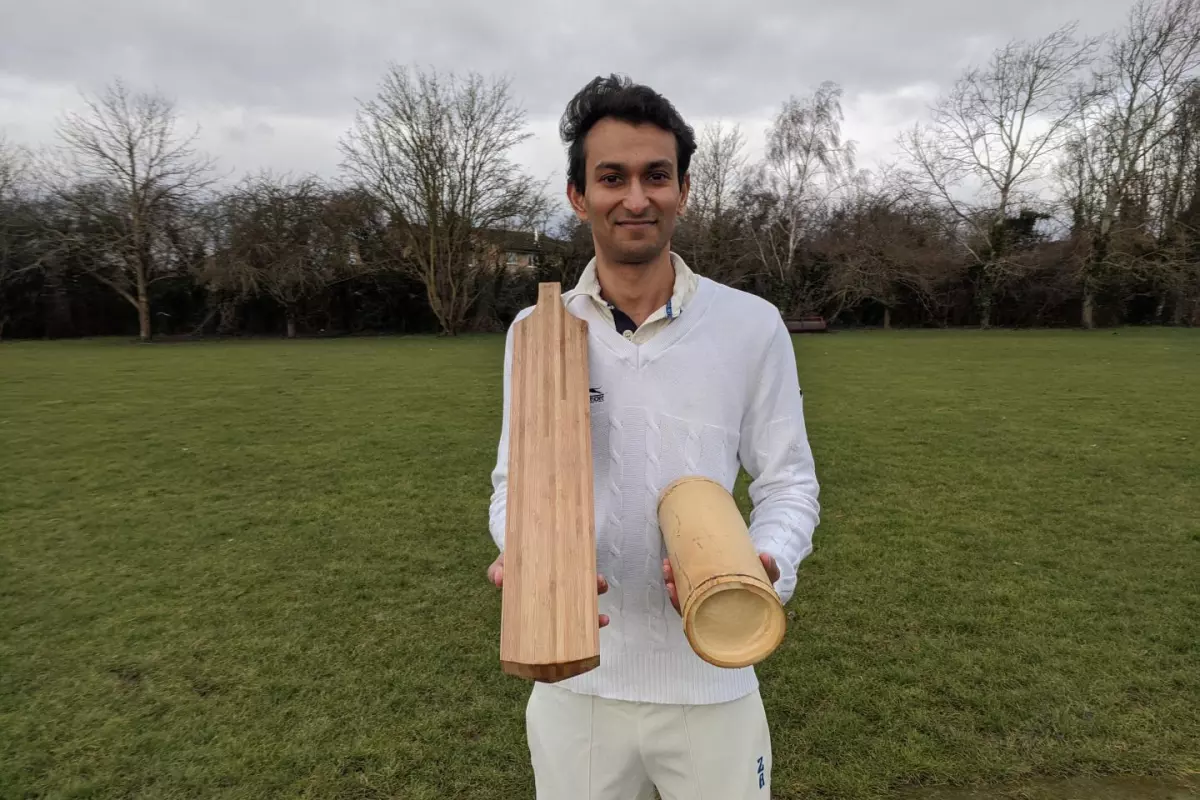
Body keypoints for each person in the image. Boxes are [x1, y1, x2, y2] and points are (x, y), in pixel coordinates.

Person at [485, 74, 820, 800]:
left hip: (713, 676)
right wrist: (524, 551)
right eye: (612, 177)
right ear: (579, 196)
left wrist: (769, 563)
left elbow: (788, 479)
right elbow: (515, 481)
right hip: (578, 680)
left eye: (655, 176)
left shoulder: (749, 325)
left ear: (683, 189)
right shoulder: (538, 332)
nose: (635, 197)